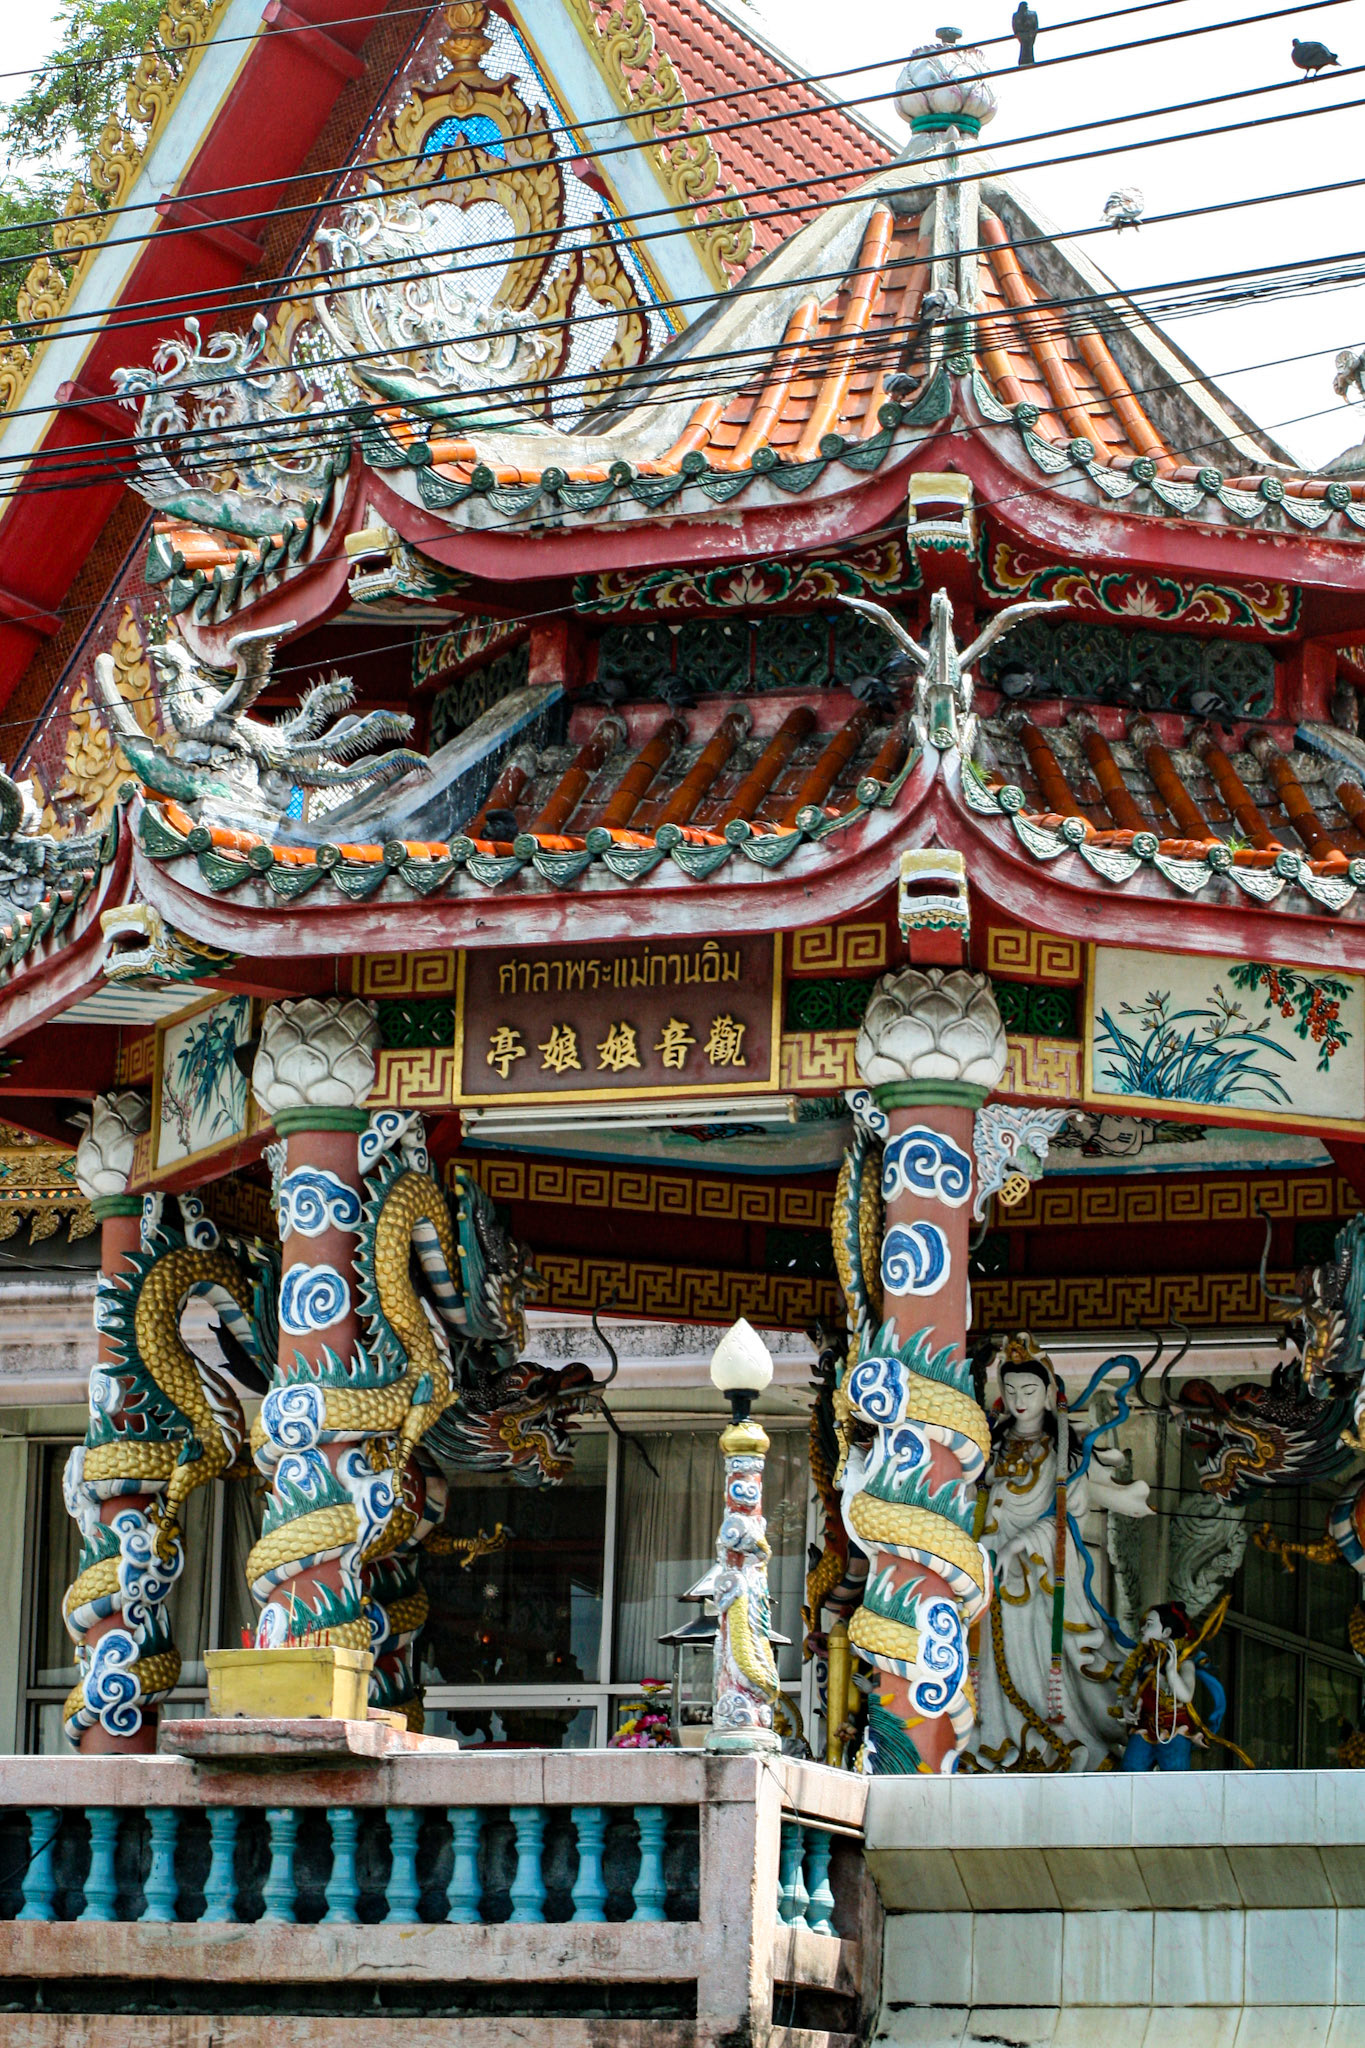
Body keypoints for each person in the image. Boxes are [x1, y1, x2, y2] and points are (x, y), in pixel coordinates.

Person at [968, 1334, 1151, 1772]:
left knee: (1035, 1657)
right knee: (991, 1662)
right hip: (990, 1569)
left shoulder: (1061, 1451)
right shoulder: (990, 1446)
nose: (1019, 1401)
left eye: (1029, 1391)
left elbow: (1066, 1518)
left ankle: (1051, 1744)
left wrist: (1022, 1542)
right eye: (1010, 1392)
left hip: (1037, 1577)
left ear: (1050, 1394)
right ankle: (995, 1740)